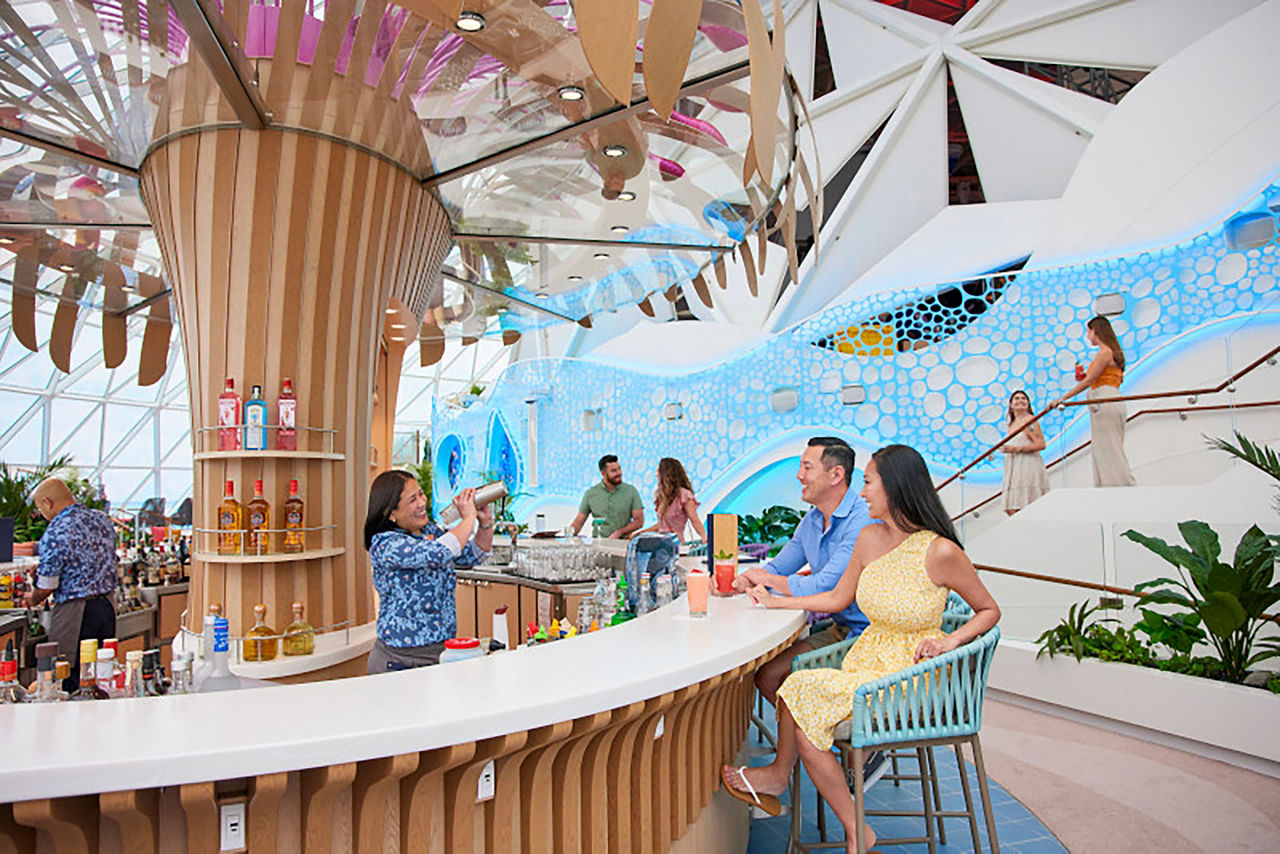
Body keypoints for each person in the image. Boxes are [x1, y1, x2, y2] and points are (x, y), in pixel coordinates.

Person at [722, 445, 1001, 851]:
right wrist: (774, 602)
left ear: (897, 487)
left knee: (800, 694)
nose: (863, 491)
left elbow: (989, 610)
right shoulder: (869, 538)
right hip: (866, 661)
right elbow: (837, 597)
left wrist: (950, 640)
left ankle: (799, 788)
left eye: (869, 482)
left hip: (911, 674)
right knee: (799, 693)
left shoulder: (940, 551)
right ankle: (853, 825)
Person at [731, 437, 874, 706]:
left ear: (836, 475)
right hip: (839, 627)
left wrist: (767, 579)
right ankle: (806, 730)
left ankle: (810, 731)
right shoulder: (812, 520)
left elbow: (827, 585)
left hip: (866, 636)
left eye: (807, 467)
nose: (799, 475)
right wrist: (745, 581)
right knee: (769, 675)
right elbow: (778, 567)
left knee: (771, 676)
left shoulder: (861, 521)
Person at [364, 471, 493, 674]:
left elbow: (470, 556)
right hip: (400, 660)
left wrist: (485, 523)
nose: (421, 503)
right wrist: (468, 517)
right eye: (412, 500)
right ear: (390, 513)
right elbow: (440, 553)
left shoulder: (429, 532)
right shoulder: (386, 544)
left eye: (421, 494)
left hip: (439, 651)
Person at [21, 478, 117, 692]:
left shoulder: (57, 529)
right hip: (107, 608)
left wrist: (32, 599)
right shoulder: (101, 520)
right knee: (102, 675)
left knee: (68, 678)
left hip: (76, 613)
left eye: (40, 509)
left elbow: (47, 585)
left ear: (47, 502)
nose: (42, 514)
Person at [1051, 315, 1137, 486]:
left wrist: (1063, 397)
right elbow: (1097, 378)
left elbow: (1090, 380)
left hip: (1105, 400)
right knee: (1107, 446)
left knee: (1108, 447)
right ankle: (1111, 484)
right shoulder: (1112, 352)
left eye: (1088, 332)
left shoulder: (1104, 352)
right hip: (1110, 398)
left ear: (1095, 331)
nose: (1087, 336)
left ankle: (1118, 485)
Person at [570, 455, 644, 539]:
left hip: (623, 543)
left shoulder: (631, 491)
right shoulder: (591, 494)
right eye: (614, 471)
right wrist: (566, 537)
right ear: (603, 473)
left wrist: (619, 532)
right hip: (598, 543)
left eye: (619, 469)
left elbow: (639, 521)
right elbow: (578, 522)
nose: (619, 473)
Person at [636, 457, 708, 543]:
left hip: (675, 544)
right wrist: (640, 533)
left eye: (658, 471)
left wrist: (704, 536)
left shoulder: (684, 495)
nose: (656, 475)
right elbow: (661, 525)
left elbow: (694, 519)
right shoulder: (661, 496)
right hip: (660, 543)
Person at [1001, 390, 1049, 515]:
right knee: (1011, 507)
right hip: (1014, 467)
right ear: (1011, 404)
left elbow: (1040, 444)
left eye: (1023, 398)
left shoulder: (1029, 420)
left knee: (1025, 503)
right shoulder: (1011, 424)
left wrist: (1016, 449)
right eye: (1016, 398)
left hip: (1027, 465)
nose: (1020, 401)